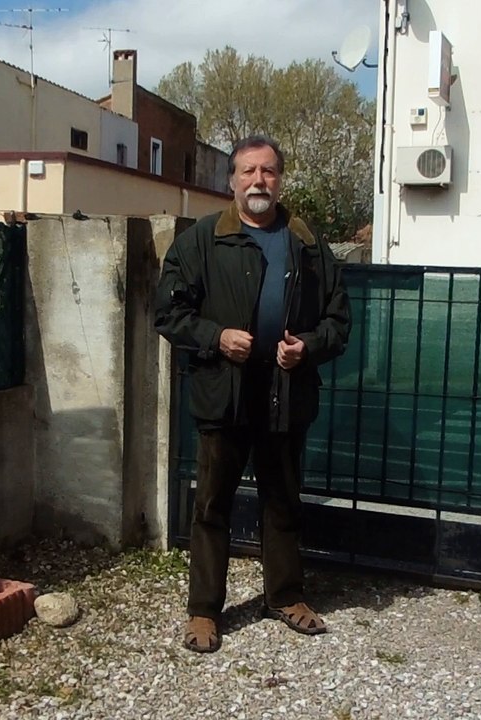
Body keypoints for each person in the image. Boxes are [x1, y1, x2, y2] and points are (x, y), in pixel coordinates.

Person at [154, 135, 351, 653]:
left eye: (267, 171)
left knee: (283, 501)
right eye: (247, 171)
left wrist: (306, 348)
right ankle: (203, 611)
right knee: (212, 505)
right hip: (225, 393)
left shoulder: (307, 244)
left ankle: (285, 595)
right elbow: (168, 313)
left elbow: (339, 321)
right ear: (232, 181)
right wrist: (216, 337)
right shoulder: (200, 240)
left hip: (287, 393)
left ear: (279, 179)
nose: (258, 181)